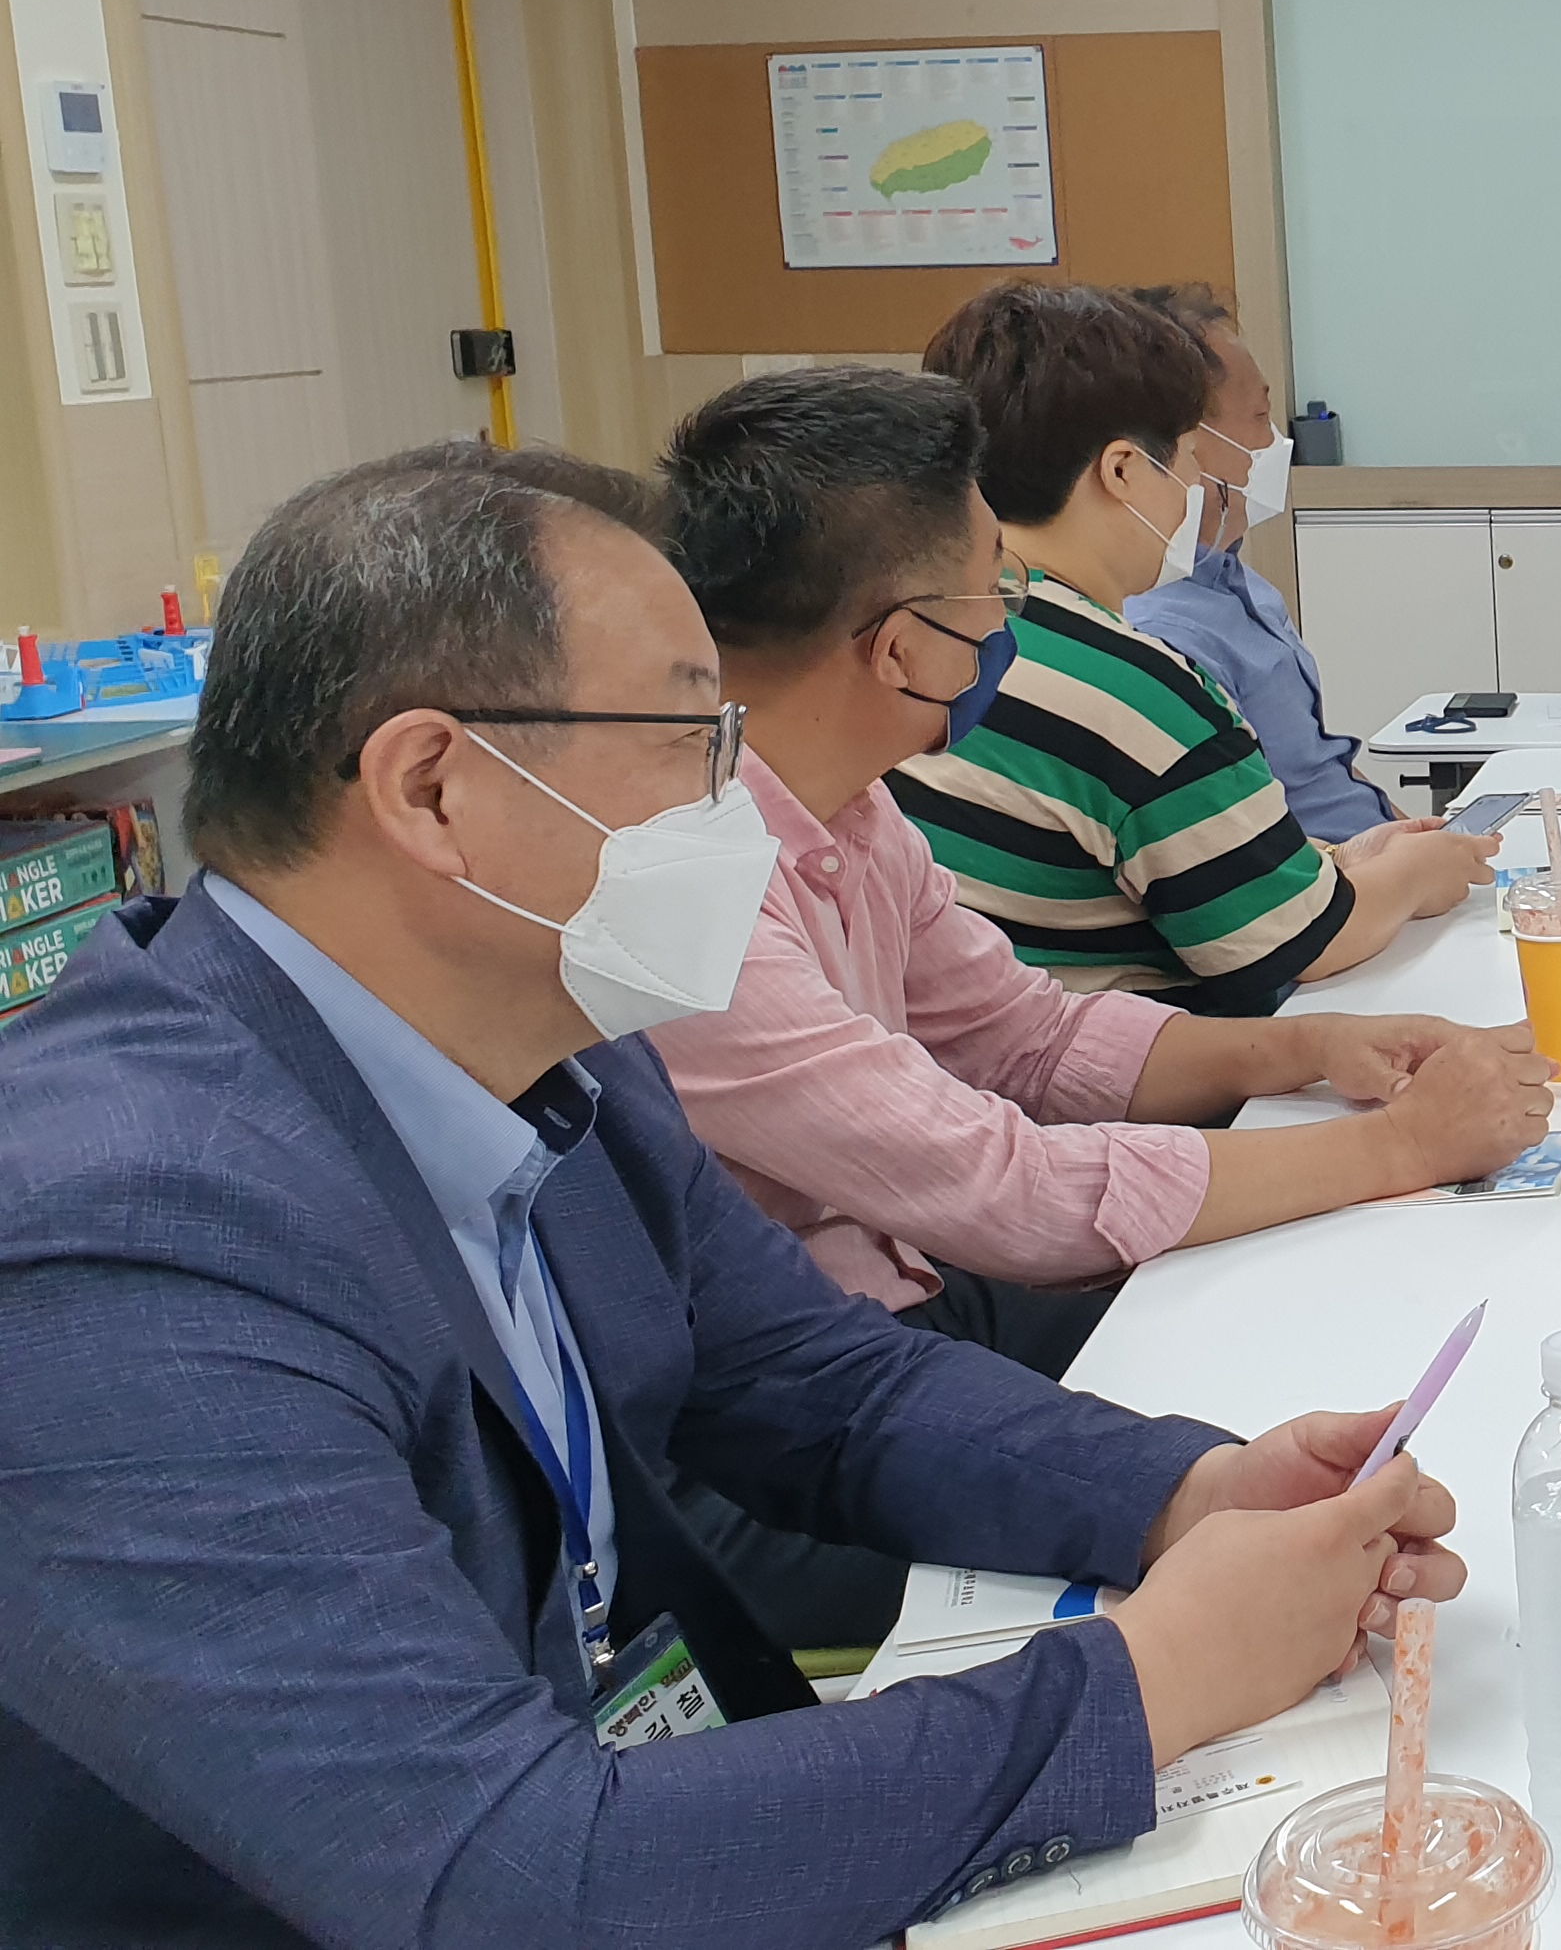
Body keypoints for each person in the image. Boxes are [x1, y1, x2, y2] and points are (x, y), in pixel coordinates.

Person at [0, 447, 1469, 1946]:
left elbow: (816, 1381)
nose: (741, 809)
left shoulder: (544, 1039)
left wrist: (1177, 1494)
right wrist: (1157, 1677)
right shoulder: (124, 1247)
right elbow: (505, 1877)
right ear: (435, 789)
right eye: (688, 741)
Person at [650, 370, 1555, 1645]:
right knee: (1271, 1528)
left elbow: (1032, 1038)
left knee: (1296, 1356)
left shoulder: (852, 807)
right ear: (902, 644)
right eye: (996, 591)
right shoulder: (694, 888)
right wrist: (1394, 1149)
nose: (1017, 622)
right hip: (791, 1429)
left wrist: (1309, 1049)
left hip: (903, 1315)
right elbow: (995, 1185)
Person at [897, 281, 1490, 1013]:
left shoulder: (940, 635)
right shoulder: (1132, 685)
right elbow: (1298, 943)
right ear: (1121, 471)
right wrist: (1418, 873)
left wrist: (1332, 859)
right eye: (1182, 461)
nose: (1192, 491)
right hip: (1139, 1087)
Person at [1117, 282, 1402, 844]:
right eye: (1260, 417)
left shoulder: (1233, 580)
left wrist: (1411, 832)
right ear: (1189, 444)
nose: (1275, 442)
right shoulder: (1161, 629)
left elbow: (1317, 767)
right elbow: (1239, 848)